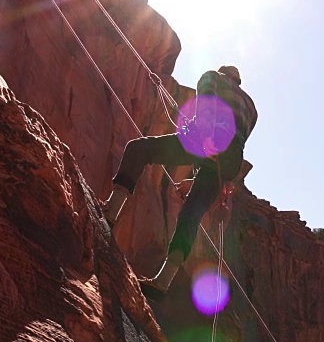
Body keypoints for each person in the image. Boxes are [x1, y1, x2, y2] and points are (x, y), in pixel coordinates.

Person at [103, 65, 257, 296]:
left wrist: (205, 136)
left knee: (138, 149)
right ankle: (163, 282)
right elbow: (238, 139)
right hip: (233, 157)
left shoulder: (213, 77)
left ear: (224, 73)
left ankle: (110, 214)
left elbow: (205, 100)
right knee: (191, 215)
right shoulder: (252, 107)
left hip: (210, 137)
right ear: (239, 81)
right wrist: (197, 177)